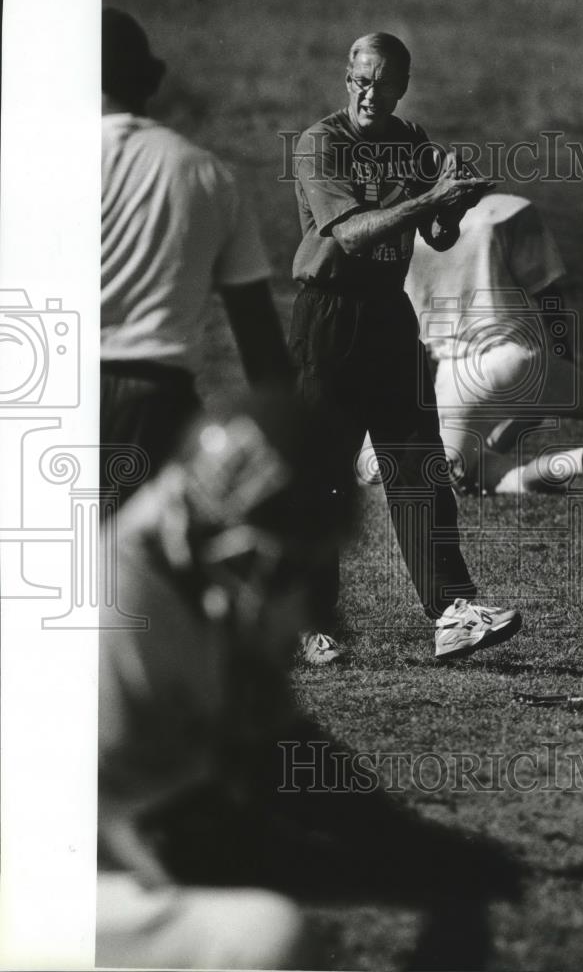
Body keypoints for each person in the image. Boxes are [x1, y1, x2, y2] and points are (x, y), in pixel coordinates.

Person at [96, 390, 524, 970]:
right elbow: (186, 843)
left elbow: (280, 747)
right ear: (235, 537)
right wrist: (395, 872)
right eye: (292, 560)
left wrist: (411, 843)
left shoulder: (192, 551)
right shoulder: (115, 606)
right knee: (264, 938)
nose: (298, 591)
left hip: (114, 848)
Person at [290, 32, 522, 663]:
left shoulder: (411, 141)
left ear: (401, 88)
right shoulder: (323, 143)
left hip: (390, 315)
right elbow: (356, 236)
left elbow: (438, 236)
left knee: (419, 465)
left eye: (381, 83)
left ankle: (452, 611)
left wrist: (455, 205)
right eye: (358, 80)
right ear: (347, 78)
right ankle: (311, 622)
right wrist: (430, 199)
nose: (368, 93)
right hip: (331, 316)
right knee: (324, 477)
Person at [100, 8, 292, 504]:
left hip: (45, 390)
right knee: (136, 571)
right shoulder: (205, 174)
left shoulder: (28, 164)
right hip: (154, 405)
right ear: (148, 83)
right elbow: (260, 339)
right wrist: (291, 445)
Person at [403, 192, 583, 496]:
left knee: (459, 473)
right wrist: (563, 359)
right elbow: (547, 293)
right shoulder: (501, 212)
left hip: (456, 377)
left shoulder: (403, 232)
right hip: (521, 359)